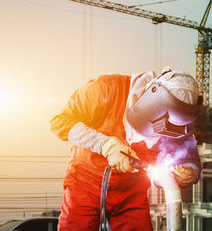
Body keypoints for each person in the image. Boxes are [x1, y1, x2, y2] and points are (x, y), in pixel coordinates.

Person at [50, 68, 202, 231]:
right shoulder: (105, 89)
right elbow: (60, 123)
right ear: (151, 97)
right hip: (86, 184)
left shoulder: (178, 124)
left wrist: (189, 171)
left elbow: (186, 153)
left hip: (132, 192)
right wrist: (105, 145)